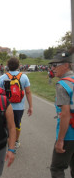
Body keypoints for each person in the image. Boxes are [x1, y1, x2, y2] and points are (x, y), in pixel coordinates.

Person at [48, 50, 74, 178]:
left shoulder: (62, 84)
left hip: (69, 134)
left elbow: (65, 115)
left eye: (55, 65)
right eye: (52, 65)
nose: (53, 68)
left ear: (66, 65)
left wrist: (60, 140)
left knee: (57, 168)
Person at [0, 57, 33, 149]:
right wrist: (30, 106)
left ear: (7, 66)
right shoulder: (24, 77)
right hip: (19, 107)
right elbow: (28, 92)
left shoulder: (2, 77)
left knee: (5, 124)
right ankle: (16, 141)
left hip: (5, 106)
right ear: (18, 65)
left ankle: (6, 139)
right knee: (17, 124)